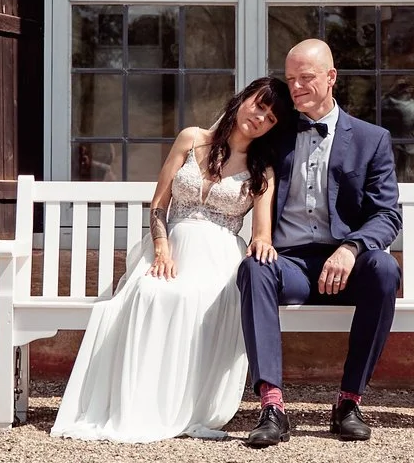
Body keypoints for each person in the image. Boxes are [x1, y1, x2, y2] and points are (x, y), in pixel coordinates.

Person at [51, 77, 300, 442]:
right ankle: (138, 404)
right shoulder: (191, 139)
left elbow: (262, 231)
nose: (260, 118)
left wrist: (262, 243)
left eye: (271, 118)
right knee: (150, 294)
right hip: (171, 247)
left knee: (188, 299)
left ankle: (179, 407)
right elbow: (159, 204)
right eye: (259, 106)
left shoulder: (263, 169)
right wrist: (161, 248)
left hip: (218, 258)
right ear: (244, 99)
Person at [236, 39, 402, 447]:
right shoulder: (275, 134)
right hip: (289, 264)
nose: (295, 87)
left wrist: (351, 248)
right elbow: (229, 145)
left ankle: (349, 402)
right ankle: (272, 406)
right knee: (254, 268)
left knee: (385, 269)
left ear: (331, 77)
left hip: (345, 267)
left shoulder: (371, 139)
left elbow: (386, 214)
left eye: (306, 77)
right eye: (290, 79)